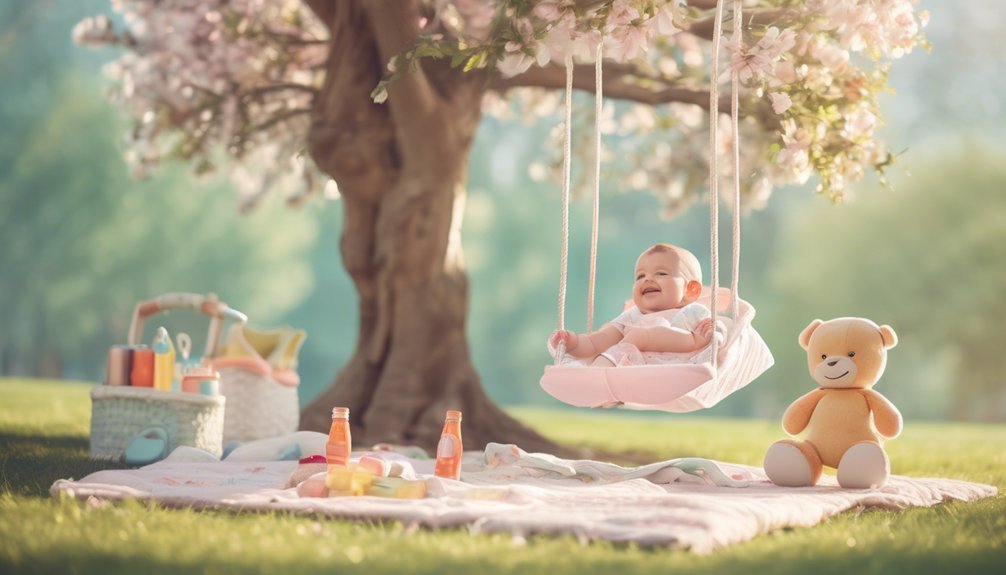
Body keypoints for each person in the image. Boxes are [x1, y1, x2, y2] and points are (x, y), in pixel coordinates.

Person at [549, 243, 718, 367]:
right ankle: (591, 379)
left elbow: (708, 340)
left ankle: (595, 376)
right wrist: (575, 343)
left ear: (691, 289)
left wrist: (647, 338)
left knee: (630, 343)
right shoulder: (631, 316)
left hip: (674, 373)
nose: (647, 279)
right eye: (640, 276)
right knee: (616, 350)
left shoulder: (693, 312)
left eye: (661, 273)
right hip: (629, 372)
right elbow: (598, 342)